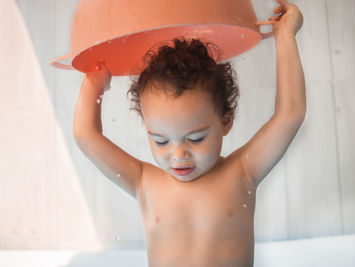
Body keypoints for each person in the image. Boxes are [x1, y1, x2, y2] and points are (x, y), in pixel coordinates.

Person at [73, 0, 305, 265]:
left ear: (226, 120)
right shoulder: (143, 182)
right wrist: (94, 81)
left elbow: (290, 114)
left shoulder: (242, 172)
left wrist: (285, 35)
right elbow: (85, 136)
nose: (178, 154)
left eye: (196, 139)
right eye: (160, 141)